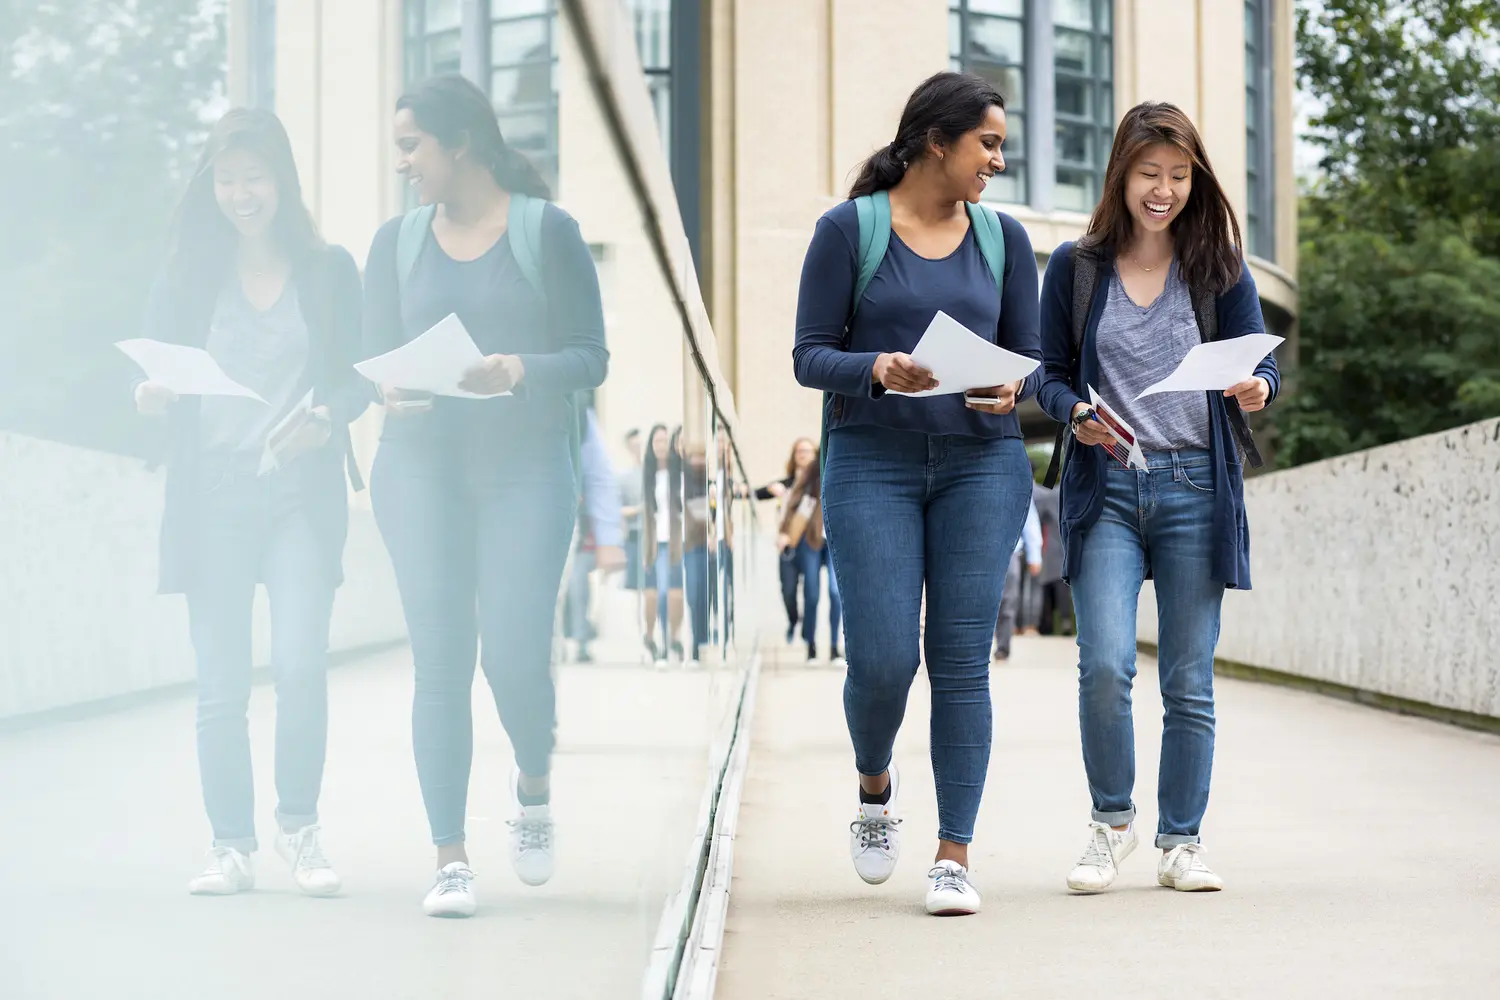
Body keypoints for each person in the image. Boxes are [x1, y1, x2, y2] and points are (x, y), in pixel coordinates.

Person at [792, 71, 1040, 916]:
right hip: (873, 461)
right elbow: (808, 355)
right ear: (937, 141)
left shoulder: (1004, 240)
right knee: (885, 657)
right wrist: (876, 368)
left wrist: (1014, 391)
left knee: (962, 662)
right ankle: (874, 784)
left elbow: (1031, 360)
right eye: (989, 143)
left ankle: (953, 856)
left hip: (982, 466)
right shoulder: (849, 230)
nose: (999, 161)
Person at [362, 75, 608, 918]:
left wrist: (518, 370)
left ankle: (532, 782)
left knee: (510, 654)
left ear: (458, 142)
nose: (401, 164)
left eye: (410, 146)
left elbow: (590, 357)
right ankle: (450, 859)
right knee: (440, 659)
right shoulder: (394, 243)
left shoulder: (549, 233)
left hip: (525, 469)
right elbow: (368, 361)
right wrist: (386, 391)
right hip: (420, 467)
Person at [1036, 101, 1279, 895]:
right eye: (1150, 174)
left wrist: (1258, 387)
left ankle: (1182, 838)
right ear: (1121, 174)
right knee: (1104, 663)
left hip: (1196, 485)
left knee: (1188, 676)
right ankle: (1111, 825)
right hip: (1108, 484)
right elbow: (1048, 372)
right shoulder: (1077, 267)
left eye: (1179, 176)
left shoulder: (1218, 269)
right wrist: (1073, 408)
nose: (1164, 190)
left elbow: (1263, 364)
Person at [132, 108, 368, 897]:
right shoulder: (188, 275)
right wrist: (151, 398)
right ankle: (230, 844)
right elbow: (149, 373)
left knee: (301, 667)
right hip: (214, 498)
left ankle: (298, 827)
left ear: (282, 180)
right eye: (226, 180)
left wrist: (329, 416)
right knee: (221, 685)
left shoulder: (328, 270)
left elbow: (355, 375)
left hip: (297, 492)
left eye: (254, 177)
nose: (241, 194)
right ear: (212, 186)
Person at [776, 458, 843, 664]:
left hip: (835, 541)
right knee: (811, 593)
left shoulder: (840, 469)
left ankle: (834, 647)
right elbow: (795, 507)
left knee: (835, 591)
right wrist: (786, 533)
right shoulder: (809, 478)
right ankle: (811, 646)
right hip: (810, 540)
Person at [756, 437, 818, 644]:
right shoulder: (787, 484)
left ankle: (807, 635)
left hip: (810, 544)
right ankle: (793, 620)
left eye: (807, 451)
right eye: (799, 451)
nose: (803, 454)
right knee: (788, 590)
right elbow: (759, 493)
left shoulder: (817, 484)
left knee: (811, 591)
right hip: (787, 545)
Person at [639, 423, 685, 664]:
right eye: (656, 441)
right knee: (654, 595)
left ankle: (672, 639)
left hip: (676, 541)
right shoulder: (647, 474)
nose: (661, 446)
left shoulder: (679, 472)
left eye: (664, 441)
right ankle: (651, 637)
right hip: (654, 544)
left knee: (673, 594)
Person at [992, 497, 1041, 661]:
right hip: (979, 549)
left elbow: (1030, 520)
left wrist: (1034, 555)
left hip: (1010, 549)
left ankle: (1003, 646)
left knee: (1007, 600)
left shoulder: (1019, 479)